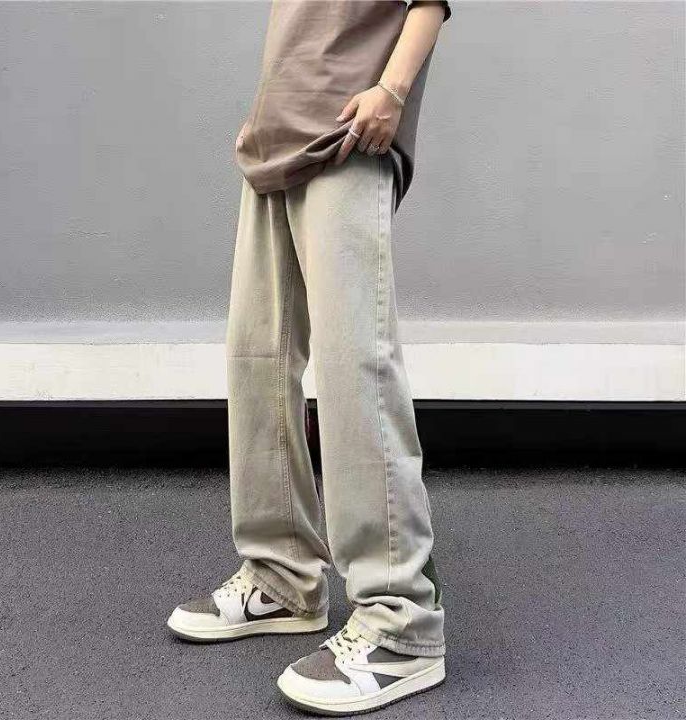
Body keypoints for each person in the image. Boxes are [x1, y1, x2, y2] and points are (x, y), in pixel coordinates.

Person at [168, 0, 452, 714]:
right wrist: (266, 112)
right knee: (257, 359)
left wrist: (390, 91)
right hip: (277, 137)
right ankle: (282, 576)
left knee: (357, 368)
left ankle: (402, 625)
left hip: (350, 128)